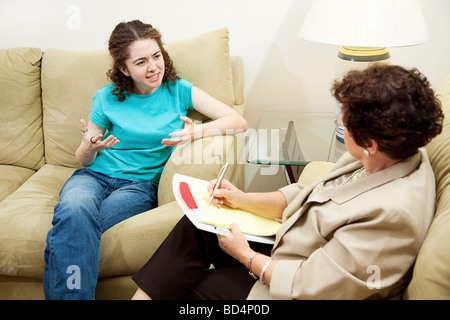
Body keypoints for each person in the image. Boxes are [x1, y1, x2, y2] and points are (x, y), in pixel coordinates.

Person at [131, 64, 444, 300]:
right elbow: (308, 193)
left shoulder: (391, 215)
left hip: (296, 288)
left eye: (344, 121)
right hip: (290, 247)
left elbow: (311, 286)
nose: (339, 124)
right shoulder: (380, 156)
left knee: (204, 290)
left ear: (370, 142)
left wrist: (244, 255)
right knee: (197, 226)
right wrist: (241, 198)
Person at [43, 20, 247, 300]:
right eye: (141, 62)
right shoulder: (105, 98)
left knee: (70, 226)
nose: (153, 67)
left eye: (156, 56)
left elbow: (238, 121)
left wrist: (195, 132)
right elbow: (84, 161)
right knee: (74, 212)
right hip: (93, 176)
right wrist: (89, 147)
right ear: (124, 70)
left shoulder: (178, 89)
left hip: (138, 187)